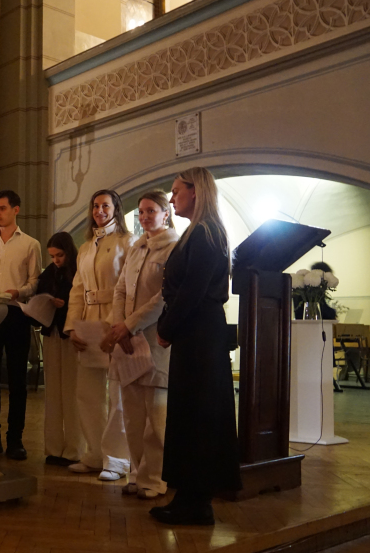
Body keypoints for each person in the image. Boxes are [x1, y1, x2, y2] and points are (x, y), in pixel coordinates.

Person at [151, 167, 241, 525]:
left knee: (198, 413)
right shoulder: (201, 231)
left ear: (196, 191)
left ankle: (196, 501)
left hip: (198, 331)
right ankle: (190, 497)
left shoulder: (204, 232)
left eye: (176, 191)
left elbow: (191, 290)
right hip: (197, 330)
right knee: (191, 413)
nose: (172, 198)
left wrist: (167, 327)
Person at [101, 190, 179, 496]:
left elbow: (163, 298)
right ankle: (136, 474)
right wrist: (118, 325)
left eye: (151, 211)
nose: (145, 217)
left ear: (165, 214)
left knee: (156, 419)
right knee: (132, 417)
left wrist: (130, 325)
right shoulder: (137, 248)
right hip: (127, 341)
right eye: (141, 212)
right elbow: (121, 289)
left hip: (155, 340)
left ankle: (155, 479)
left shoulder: (174, 248)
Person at [63, 189, 136, 479]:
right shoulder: (85, 247)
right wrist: (72, 326)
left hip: (115, 323)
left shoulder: (127, 242)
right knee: (88, 393)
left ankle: (117, 460)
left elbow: (130, 287)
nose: (99, 211)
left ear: (116, 208)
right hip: (88, 324)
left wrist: (119, 324)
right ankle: (94, 454)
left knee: (117, 395)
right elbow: (77, 289)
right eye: (95, 206)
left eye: (105, 205)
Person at [0, 190, 42, 460]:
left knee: (17, 380)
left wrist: (19, 292)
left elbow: (35, 281)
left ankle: (15, 439)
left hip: (16, 314)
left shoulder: (30, 244)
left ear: (16, 209)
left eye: (2, 208)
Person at [37, 231, 80, 467]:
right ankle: (53, 448)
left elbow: (82, 300)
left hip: (71, 333)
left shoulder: (78, 271)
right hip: (52, 332)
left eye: (60, 255)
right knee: (53, 391)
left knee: (72, 391)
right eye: (52, 256)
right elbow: (39, 295)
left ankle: (75, 449)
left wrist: (64, 304)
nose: (56, 260)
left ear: (69, 252)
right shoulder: (49, 273)